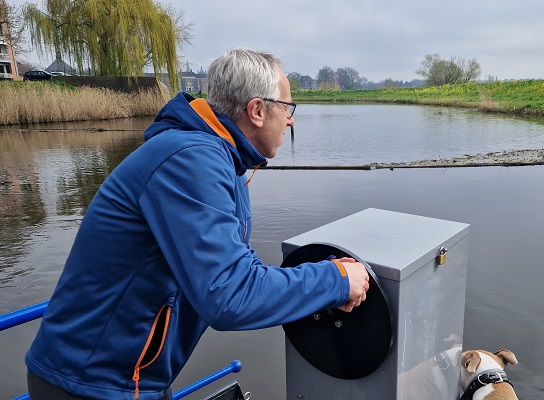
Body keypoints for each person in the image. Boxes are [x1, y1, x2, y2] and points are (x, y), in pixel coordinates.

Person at [24, 48, 370, 399]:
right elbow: (230, 295)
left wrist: (321, 287)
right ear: (258, 110)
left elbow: (238, 268)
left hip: (135, 377)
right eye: (287, 107)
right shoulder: (191, 160)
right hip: (89, 382)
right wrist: (337, 280)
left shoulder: (224, 159)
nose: (291, 120)